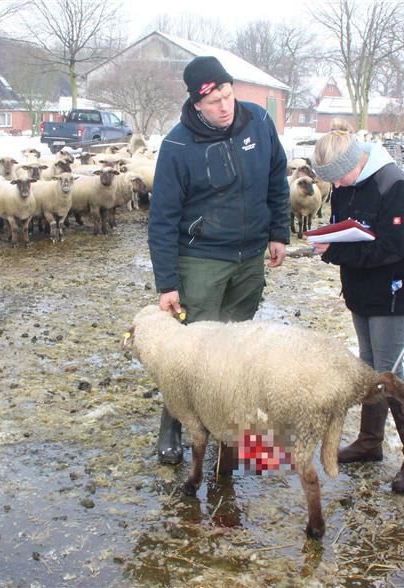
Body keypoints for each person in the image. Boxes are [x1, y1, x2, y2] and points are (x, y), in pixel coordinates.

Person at [147, 55, 290, 464]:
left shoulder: (259, 123)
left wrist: (278, 232)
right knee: (194, 346)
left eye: (228, 96)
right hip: (202, 257)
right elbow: (162, 219)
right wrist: (167, 284)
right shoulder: (178, 145)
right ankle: (173, 424)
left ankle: (225, 420)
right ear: (197, 104)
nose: (225, 107)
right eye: (214, 103)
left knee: (235, 343)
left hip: (248, 257)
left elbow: (276, 179)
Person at [311, 123, 404, 493]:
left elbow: (392, 248)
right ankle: (370, 440)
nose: (338, 187)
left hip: (394, 291)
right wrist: (330, 246)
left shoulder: (394, 186)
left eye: (340, 177)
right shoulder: (349, 184)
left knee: (390, 372)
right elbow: (345, 227)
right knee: (368, 367)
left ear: (355, 160)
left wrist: (337, 251)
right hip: (362, 289)